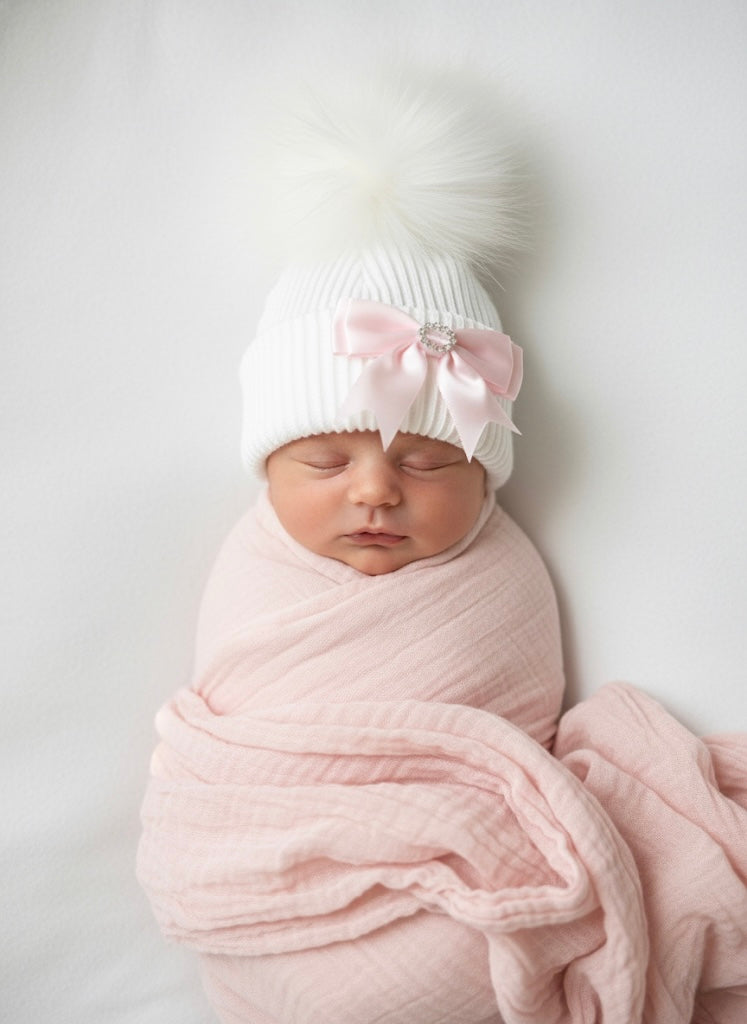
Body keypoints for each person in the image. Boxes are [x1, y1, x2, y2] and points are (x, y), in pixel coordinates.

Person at [138, 77, 747, 1024]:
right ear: (267, 466)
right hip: (264, 860)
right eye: (326, 458)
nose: (376, 489)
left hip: (456, 865)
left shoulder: (497, 578)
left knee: (467, 958)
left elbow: (509, 741)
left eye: (425, 458)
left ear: (484, 473)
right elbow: (236, 769)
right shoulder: (253, 568)